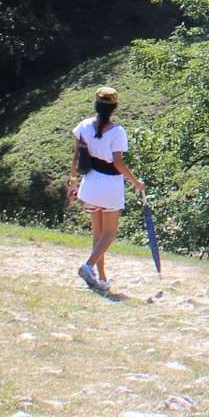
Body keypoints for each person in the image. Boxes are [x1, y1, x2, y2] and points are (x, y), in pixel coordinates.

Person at [70, 85, 144, 293]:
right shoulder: (117, 132)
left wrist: (72, 183)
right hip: (110, 186)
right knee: (109, 234)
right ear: (114, 107)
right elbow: (118, 163)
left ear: (96, 104)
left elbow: (76, 157)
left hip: (90, 184)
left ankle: (101, 277)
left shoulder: (83, 126)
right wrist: (136, 182)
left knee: (99, 234)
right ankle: (88, 266)